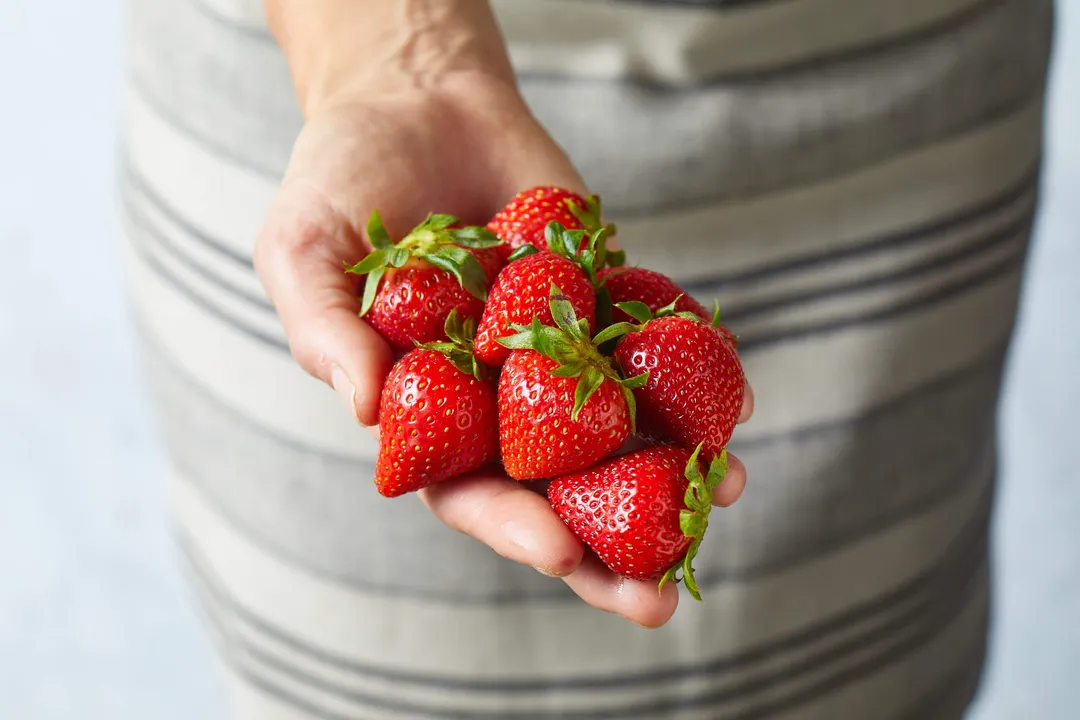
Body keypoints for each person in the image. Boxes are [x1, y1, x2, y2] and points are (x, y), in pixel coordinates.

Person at [119, 0, 1054, 717]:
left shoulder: (580, 335)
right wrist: (396, 54)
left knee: (857, 674)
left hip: (889, 104)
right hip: (337, 70)